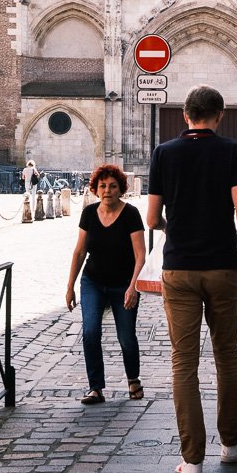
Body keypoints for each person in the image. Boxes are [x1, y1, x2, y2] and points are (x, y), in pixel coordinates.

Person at [147, 84, 237, 473]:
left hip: (179, 268)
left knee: (184, 361)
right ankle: (231, 445)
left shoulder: (164, 153)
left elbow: (151, 219)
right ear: (218, 116)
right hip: (222, 267)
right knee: (226, 354)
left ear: (186, 115)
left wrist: (176, 228)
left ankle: (192, 462)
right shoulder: (232, 151)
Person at [66, 164, 146, 404]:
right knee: (90, 332)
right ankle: (96, 387)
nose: (107, 190)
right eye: (102, 186)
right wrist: (70, 285)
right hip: (93, 281)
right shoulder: (89, 213)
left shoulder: (131, 214)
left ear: (121, 189)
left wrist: (133, 287)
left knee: (126, 337)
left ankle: (133, 379)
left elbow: (141, 254)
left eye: (112, 186)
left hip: (123, 284)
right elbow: (79, 251)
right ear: (95, 189)